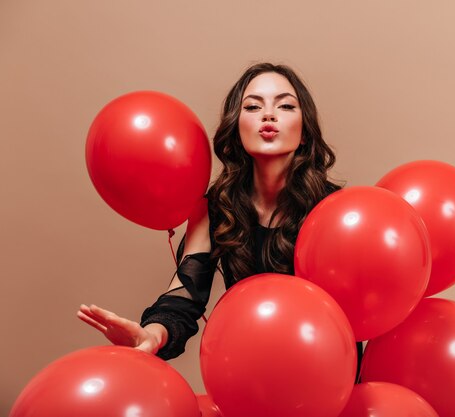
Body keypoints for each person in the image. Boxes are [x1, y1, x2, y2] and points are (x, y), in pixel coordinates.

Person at [77, 62, 363, 374]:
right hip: (250, 372)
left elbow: (363, 305)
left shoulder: (334, 208)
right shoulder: (215, 208)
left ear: (306, 132)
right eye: (253, 106)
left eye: (285, 105)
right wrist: (152, 335)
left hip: (327, 370)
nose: (269, 115)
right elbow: (185, 298)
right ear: (236, 128)